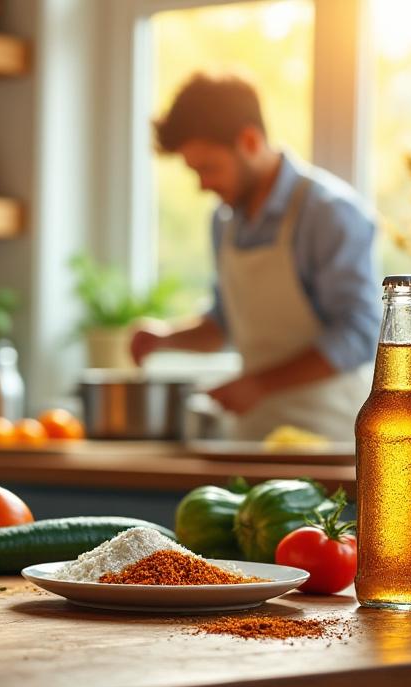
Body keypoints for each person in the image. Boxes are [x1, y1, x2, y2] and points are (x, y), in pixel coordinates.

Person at [133, 71, 380, 442]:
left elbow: (360, 333)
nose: (203, 185)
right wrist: (164, 338)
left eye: (208, 168)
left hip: (329, 440)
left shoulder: (328, 212)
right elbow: (224, 325)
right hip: (252, 440)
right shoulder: (225, 221)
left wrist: (260, 385)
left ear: (249, 140)